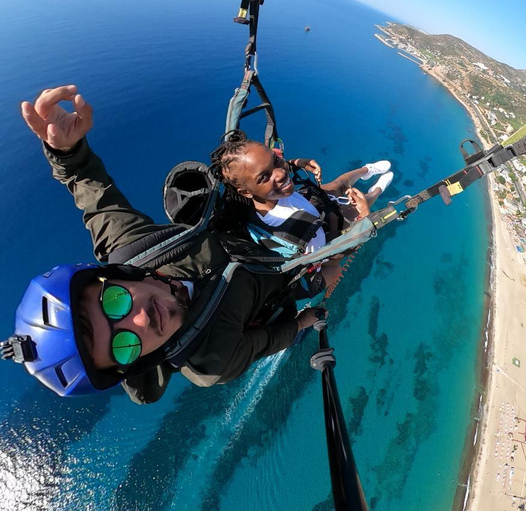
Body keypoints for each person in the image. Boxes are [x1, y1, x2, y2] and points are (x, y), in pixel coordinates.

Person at [9, 85, 324, 404]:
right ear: (136, 364)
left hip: (243, 235)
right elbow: (270, 339)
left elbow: (93, 194)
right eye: (125, 346)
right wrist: (302, 322)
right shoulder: (212, 359)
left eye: (115, 301)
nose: (142, 320)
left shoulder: (134, 246)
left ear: (113, 277)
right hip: (283, 278)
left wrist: (66, 150)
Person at [212, 130, 394, 307]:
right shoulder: (295, 232)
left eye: (275, 160)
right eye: (264, 176)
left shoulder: (254, 199)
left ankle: (367, 170)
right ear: (245, 192)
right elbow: (335, 251)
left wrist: (295, 163)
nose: (281, 173)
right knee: (356, 209)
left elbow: (270, 169)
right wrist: (364, 215)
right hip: (320, 244)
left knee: (339, 184)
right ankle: (375, 191)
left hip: (308, 211)